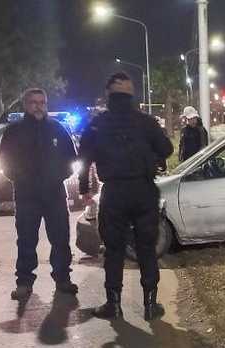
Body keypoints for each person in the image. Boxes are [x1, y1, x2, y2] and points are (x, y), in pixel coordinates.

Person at [78, 72, 173, 321]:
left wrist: (83, 188)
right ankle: (151, 304)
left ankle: (114, 304)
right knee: (146, 248)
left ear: (108, 94)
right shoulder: (146, 122)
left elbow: (83, 157)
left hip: (114, 192)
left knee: (113, 249)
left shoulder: (98, 124)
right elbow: (167, 149)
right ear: (131, 95)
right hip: (143, 191)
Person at [0, 88, 80, 300]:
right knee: (26, 240)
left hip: (54, 194)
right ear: (25, 105)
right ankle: (24, 283)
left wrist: (58, 176)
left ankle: (63, 279)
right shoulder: (14, 131)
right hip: (27, 195)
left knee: (60, 238)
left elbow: (71, 158)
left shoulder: (57, 129)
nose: (38, 106)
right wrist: (20, 179)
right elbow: (5, 161)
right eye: (34, 102)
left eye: (42, 102)